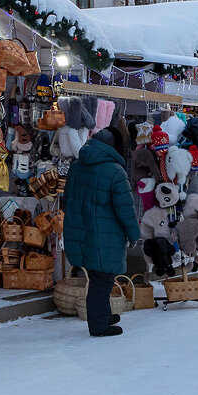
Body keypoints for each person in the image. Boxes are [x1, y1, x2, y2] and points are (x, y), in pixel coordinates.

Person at [62, 126, 141, 336]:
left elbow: (67, 201)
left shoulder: (77, 166)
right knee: (102, 280)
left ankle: (103, 314)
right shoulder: (115, 171)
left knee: (98, 278)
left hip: (83, 231)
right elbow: (126, 209)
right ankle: (98, 325)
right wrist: (134, 235)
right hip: (106, 234)